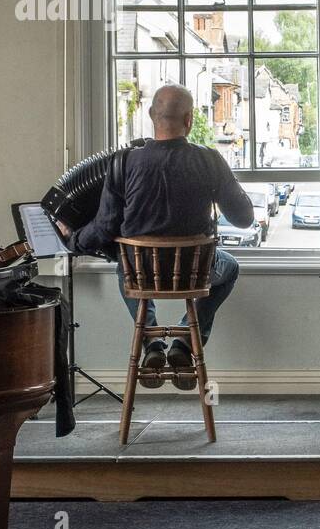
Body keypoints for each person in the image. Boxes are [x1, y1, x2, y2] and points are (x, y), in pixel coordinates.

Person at [57, 84, 253, 389]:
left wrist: (72, 240)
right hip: (193, 274)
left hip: (140, 274)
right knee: (230, 268)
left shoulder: (122, 163)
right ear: (189, 120)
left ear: (151, 116)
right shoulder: (209, 160)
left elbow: (105, 227)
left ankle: (151, 344)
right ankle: (185, 343)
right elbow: (244, 219)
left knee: (124, 264)